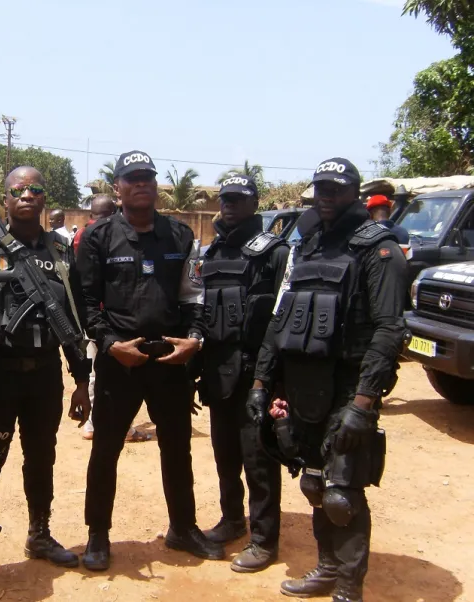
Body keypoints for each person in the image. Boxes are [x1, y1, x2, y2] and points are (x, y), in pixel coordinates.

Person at [248, 158, 407, 602]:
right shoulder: (310, 245)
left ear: (354, 192)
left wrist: (364, 401)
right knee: (315, 482)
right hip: (304, 387)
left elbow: (389, 329)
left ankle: (349, 589)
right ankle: (327, 567)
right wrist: (262, 384)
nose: (326, 196)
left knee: (342, 492)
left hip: (348, 385)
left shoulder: (379, 250)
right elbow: (281, 320)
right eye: (320, 188)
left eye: (336, 188)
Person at [77, 150, 222, 571]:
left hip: (169, 360)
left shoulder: (179, 236)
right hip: (119, 360)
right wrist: (107, 344)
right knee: (105, 449)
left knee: (177, 448)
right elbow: (85, 302)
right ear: (118, 187)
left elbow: (193, 294)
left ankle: (183, 528)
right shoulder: (98, 237)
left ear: (156, 187)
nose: (141, 184)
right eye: (132, 178)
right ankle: (98, 536)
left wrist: (193, 339)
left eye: (148, 178)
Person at [0, 166, 91, 594]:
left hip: (44, 375)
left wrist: (81, 380)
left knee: (41, 457)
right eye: (18, 190)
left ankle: (39, 533)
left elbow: (72, 319)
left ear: (46, 198)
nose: (27, 195)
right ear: (5, 200)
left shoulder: (62, 253)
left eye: (36, 189)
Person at [194, 175, 288, 573]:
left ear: (254, 204)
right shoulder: (213, 251)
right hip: (218, 371)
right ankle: (233, 519)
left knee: (259, 460)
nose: (229, 205)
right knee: (224, 455)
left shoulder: (275, 253)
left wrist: (272, 380)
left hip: (255, 374)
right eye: (225, 198)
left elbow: (283, 320)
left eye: (238, 199)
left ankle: (264, 540)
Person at [74, 195, 148, 442]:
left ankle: (95, 424)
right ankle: (109, 426)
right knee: (110, 375)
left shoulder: (80, 235)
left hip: (91, 318)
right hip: (108, 320)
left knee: (98, 371)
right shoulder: (103, 237)